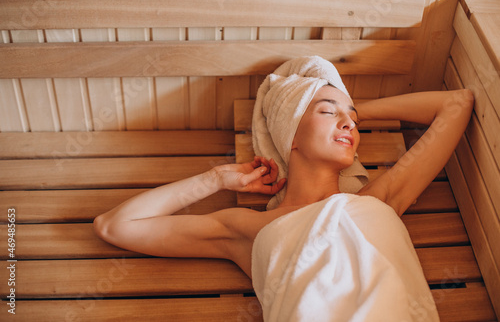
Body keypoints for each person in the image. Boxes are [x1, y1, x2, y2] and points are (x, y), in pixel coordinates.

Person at [94, 56, 474, 321]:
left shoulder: (379, 199)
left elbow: (457, 103)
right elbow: (115, 225)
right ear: (289, 135)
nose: (349, 125)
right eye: (327, 112)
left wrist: (351, 109)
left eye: (353, 121)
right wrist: (216, 179)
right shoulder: (249, 231)